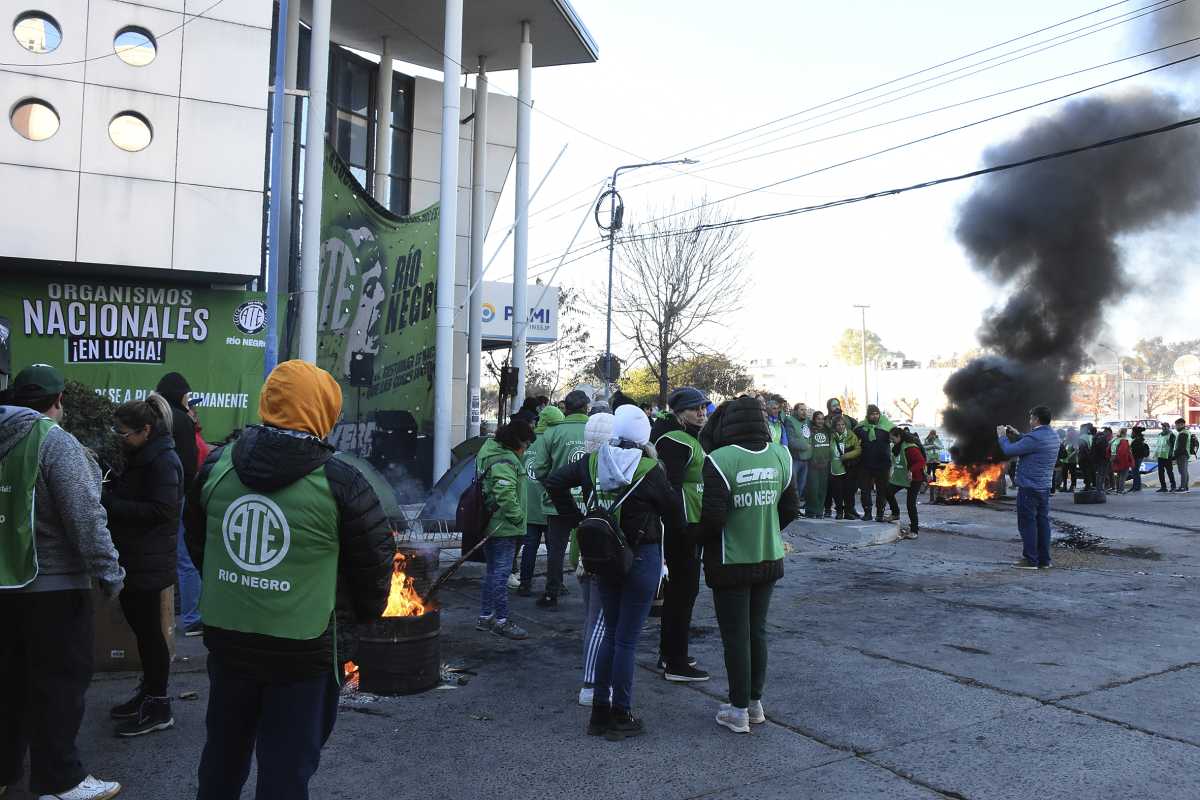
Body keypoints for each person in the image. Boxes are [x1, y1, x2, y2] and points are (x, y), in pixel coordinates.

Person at [185, 360, 394, 800]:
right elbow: (374, 566)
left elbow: (198, 542)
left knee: (222, 757)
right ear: (324, 411)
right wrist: (361, 622)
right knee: (287, 771)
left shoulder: (218, 466)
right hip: (305, 650)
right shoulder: (342, 482)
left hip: (229, 639)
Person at [0, 364, 126, 800]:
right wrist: (109, 573)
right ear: (57, 403)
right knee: (60, 686)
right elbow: (86, 517)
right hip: (54, 588)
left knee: (9, 684)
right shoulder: (55, 443)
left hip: (4, 586)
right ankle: (60, 781)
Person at [544, 405, 684, 741]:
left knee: (609, 633)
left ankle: (599, 714)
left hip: (603, 558)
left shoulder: (593, 461)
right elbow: (677, 520)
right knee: (626, 640)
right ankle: (621, 714)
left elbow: (553, 481)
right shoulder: (650, 470)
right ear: (645, 436)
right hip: (640, 558)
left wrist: (579, 518)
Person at [697, 396, 800, 734]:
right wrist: (766, 530)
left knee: (735, 636)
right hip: (769, 556)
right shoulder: (781, 456)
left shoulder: (719, 460)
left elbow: (712, 519)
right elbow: (790, 509)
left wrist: (694, 540)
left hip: (730, 561)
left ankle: (737, 709)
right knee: (757, 631)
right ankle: (754, 703)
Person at [103, 393, 184, 737]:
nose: (120, 439)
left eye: (124, 433)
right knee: (143, 631)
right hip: (136, 556)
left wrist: (111, 504)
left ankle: (158, 703)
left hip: (148, 561)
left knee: (151, 634)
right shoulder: (142, 455)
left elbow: (162, 511)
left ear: (145, 430)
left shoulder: (163, 461)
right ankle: (149, 693)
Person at [651, 387, 710, 683]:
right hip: (682, 529)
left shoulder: (687, 437)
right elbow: (669, 487)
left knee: (681, 594)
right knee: (682, 595)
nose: (701, 412)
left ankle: (670, 654)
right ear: (678, 413)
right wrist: (681, 527)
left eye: (703, 407)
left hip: (688, 525)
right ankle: (675, 662)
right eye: (694, 408)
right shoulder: (675, 441)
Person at [531, 389, 591, 609]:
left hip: (557, 502)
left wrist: (551, 483)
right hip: (591, 501)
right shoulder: (595, 429)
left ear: (566, 408)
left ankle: (552, 592)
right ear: (586, 407)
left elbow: (539, 469)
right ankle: (598, 592)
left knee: (556, 550)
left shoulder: (552, 433)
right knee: (596, 544)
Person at [476, 421, 535, 640]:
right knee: (500, 575)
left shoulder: (489, 452)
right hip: (503, 526)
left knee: (493, 573)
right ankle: (501, 620)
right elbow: (505, 494)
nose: (526, 449)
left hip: (493, 524)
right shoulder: (505, 460)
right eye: (526, 444)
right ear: (517, 441)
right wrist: (518, 517)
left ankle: (485, 617)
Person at [157, 372, 204, 638]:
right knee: (186, 559)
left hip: (154, 498)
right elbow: (189, 464)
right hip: (179, 497)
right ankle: (192, 618)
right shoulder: (182, 421)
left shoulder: (153, 416)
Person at [577, 412, 616, 706]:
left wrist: (572, 516)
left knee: (592, 617)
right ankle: (591, 683)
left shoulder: (582, 465)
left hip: (582, 549)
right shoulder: (614, 468)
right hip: (605, 552)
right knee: (600, 620)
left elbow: (551, 480)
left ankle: (595, 676)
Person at [996, 406, 1060, 570]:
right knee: (1042, 522)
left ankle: (1030, 560)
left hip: (1029, 487)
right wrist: (1018, 435)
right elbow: (1032, 444)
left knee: (1027, 524)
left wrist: (1002, 437)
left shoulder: (1034, 438)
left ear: (1036, 419)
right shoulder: (1052, 435)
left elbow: (1008, 450)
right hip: (1044, 487)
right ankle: (1044, 560)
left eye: (1031, 418)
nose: (1029, 420)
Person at [517, 405, 563, 596]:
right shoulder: (556, 440)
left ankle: (524, 584)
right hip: (550, 504)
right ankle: (555, 585)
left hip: (529, 504)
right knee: (555, 549)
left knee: (529, 547)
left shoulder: (529, 441)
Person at [854, 405, 894, 522]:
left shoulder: (887, 427)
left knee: (882, 490)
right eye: (872, 414)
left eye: (877, 413)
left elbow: (898, 439)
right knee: (865, 490)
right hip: (865, 464)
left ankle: (880, 513)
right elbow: (851, 440)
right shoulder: (860, 427)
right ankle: (867, 513)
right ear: (868, 415)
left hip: (883, 464)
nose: (875, 416)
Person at [886, 428, 926, 537]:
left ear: (899, 436)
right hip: (901, 477)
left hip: (915, 478)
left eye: (892, 438)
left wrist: (911, 471)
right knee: (888, 491)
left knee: (910, 504)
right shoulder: (897, 447)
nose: (891, 441)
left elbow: (921, 461)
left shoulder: (910, 448)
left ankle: (914, 530)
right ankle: (895, 514)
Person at [829, 416, 861, 519]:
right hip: (835, 468)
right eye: (838, 425)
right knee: (837, 491)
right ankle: (839, 511)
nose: (841, 427)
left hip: (848, 467)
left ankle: (848, 512)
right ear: (835, 426)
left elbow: (858, 450)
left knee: (849, 491)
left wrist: (846, 456)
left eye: (842, 424)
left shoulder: (851, 435)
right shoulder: (832, 436)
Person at [804, 411, 832, 519]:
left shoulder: (827, 431)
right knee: (813, 488)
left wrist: (827, 460)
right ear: (814, 420)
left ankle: (820, 510)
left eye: (822, 419)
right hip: (813, 464)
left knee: (822, 488)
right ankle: (811, 510)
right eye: (818, 419)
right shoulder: (810, 431)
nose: (820, 421)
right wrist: (812, 460)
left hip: (825, 464)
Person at [783, 403, 812, 504]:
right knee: (793, 486)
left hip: (806, 459)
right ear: (795, 411)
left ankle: (797, 506)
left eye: (805, 410)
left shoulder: (808, 421)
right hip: (796, 458)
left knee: (802, 486)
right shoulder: (790, 421)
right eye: (801, 410)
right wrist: (805, 446)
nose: (804, 412)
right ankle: (792, 507)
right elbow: (791, 441)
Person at [1109, 428, 1133, 493]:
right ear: (1124, 433)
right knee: (1123, 475)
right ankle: (1121, 489)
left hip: (1115, 459)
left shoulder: (1114, 440)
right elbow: (1125, 452)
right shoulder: (1124, 441)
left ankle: (1117, 489)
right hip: (1123, 460)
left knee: (1118, 475)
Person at [1155, 422, 1177, 493]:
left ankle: (1173, 486)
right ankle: (1163, 487)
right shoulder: (1160, 435)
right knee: (1160, 472)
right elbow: (1158, 445)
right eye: (1162, 426)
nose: (1163, 428)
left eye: (1164, 426)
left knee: (1169, 472)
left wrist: (1173, 456)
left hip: (1168, 456)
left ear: (1168, 427)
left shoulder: (1171, 435)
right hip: (1160, 456)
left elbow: (1174, 446)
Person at [1172, 418, 1192, 493]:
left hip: (1182, 454)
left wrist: (1174, 456)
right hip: (1185, 454)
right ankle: (1185, 487)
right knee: (1184, 471)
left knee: (1182, 471)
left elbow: (1181, 446)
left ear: (1182, 424)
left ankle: (1183, 487)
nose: (1176, 427)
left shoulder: (1183, 433)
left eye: (1177, 425)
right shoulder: (1186, 432)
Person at [1130, 427, 1149, 492]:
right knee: (1135, 472)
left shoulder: (1137, 440)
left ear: (1135, 433)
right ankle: (1136, 486)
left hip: (1136, 458)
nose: (1131, 433)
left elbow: (1136, 451)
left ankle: (1136, 487)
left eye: (1132, 432)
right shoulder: (1140, 439)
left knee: (1135, 472)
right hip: (1138, 458)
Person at [1077, 423, 1096, 491]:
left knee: (1086, 472)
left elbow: (1082, 448)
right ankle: (1092, 485)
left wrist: (1081, 458)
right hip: (1091, 458)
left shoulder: (1082, 437)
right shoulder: (1091, 436)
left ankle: (1087, 486)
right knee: (1090, 472)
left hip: (1084, 458)